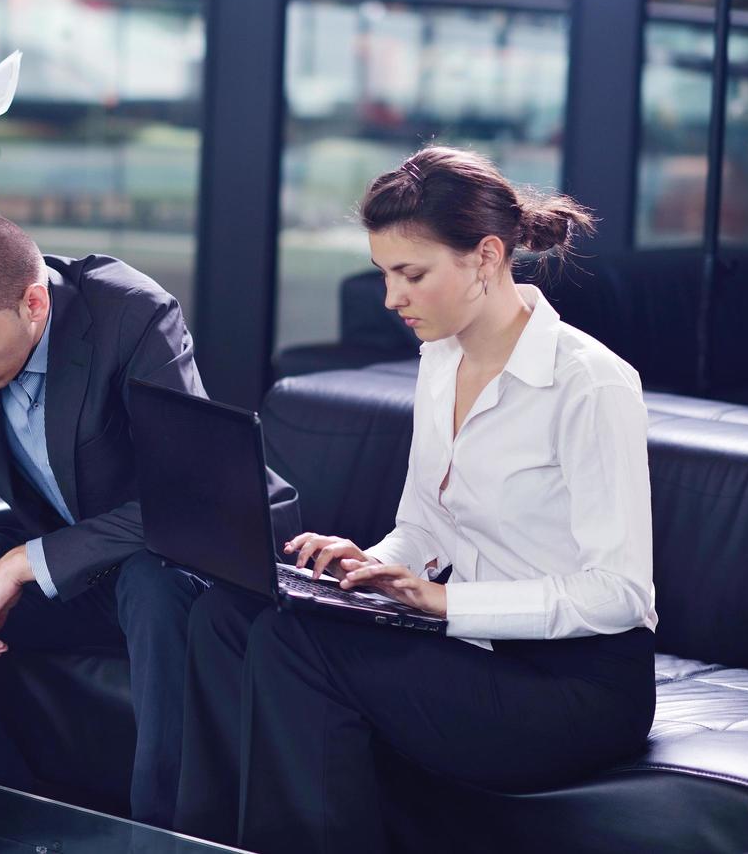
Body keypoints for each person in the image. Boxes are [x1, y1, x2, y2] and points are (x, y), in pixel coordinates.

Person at [175, 146, 658, 851]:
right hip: (470, 650)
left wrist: (443, 602)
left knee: (292, 643)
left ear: (485, 257)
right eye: (384, 274)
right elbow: (424, 525)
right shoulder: (442, 356)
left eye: (411, 274)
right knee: (224, 613)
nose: (390, 298)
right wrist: (364, 565)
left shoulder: (588, 382)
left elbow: (618, 592)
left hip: (573, 688)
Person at [0, 211, 301, 828]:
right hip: (65, 574)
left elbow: (187, 498)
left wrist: (27, 561)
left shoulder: (133, 316)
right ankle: (7, 813)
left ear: (33, 304)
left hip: (162, 563)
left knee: (153, 587)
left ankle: (167, 837)